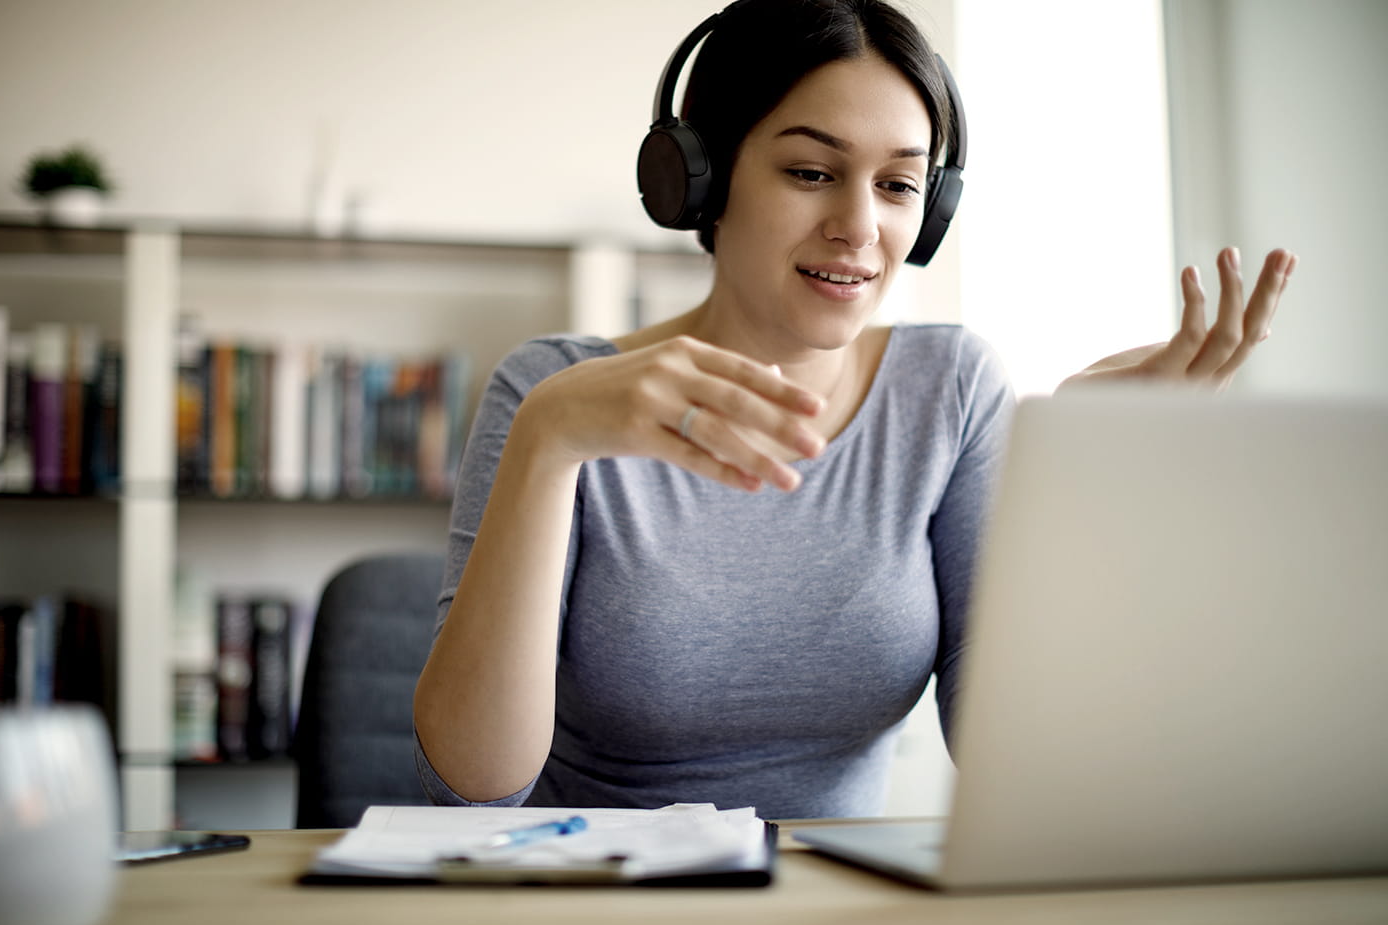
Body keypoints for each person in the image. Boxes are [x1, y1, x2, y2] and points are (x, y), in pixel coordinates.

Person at [412, 0, 1297, 819]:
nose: (860, 226)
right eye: (811, 171)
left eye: (899, 186)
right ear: (701, 180)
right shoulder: (552, 394)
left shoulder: (949, 391)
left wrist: (1073, 487)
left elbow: (1017, 758)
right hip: (600, 897)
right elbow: (477, 778)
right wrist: (550, 441)